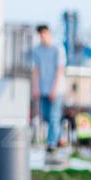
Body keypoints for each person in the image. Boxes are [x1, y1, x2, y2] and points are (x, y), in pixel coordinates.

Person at [28, 25, 66, 156]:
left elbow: (60, 70)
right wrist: (35, 87)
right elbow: (36, 70)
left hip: (56, 89)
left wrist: (54, 89)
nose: (42, 37)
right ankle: (60, 137)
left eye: (44, 33)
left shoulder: (58, 48)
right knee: (46, 117)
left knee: (54, 116)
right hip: (43, 88)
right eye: (40, 34)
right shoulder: (37, 50)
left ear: (49, 33)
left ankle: (51, 143)